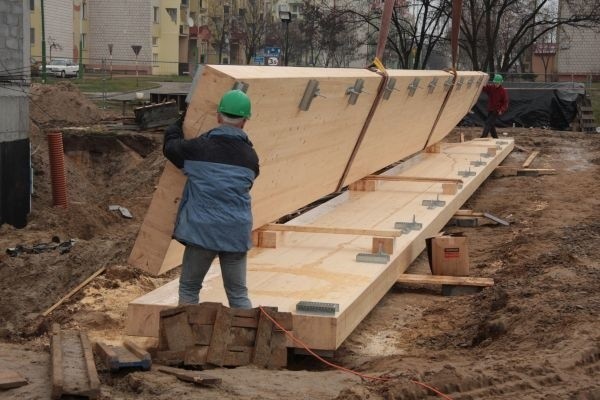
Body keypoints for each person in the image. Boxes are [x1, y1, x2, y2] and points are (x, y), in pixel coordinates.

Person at [163, 89, 260, 307]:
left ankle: (185, 339)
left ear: (218, 116)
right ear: (244, 121)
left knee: (189, 288)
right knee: (238, 294)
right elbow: (251, 178)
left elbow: (170, 148)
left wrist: (176, 126)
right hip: (236, 231)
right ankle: (245, 340)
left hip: (202, 232)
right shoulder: (250, 157)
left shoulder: (198, 149)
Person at [481, 74, 509, 138]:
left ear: (500, 82)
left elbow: (505, 102)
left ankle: (483, 137)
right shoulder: (491, 88)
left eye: (497, 83)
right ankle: (495, 138)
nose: (496, 84)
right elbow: (484, 88)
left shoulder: (503, 91)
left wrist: (501, 110)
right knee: (491, 124)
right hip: (490, 109)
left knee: (488, 123)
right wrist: (480, 83)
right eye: (495, 83)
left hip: (496, 110)